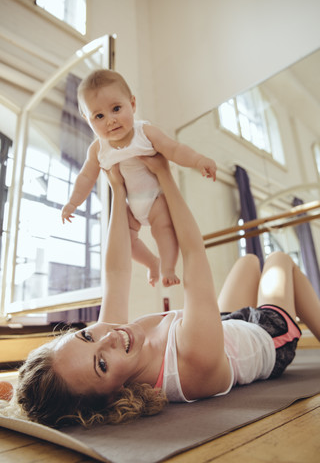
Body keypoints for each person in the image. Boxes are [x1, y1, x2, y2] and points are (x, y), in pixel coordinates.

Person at [15, 155, 320, 429]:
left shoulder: (112, 340)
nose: (108, 338)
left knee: (249, 260)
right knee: (280, 262)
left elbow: (116, 273)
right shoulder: (191, 360)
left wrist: (118, 189)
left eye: (86, 336)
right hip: (268, 337)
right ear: (114, 396)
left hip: (227, 326)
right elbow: (193, 254)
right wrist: (164, 175)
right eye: (101, 364)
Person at [61, 69, 217, 287]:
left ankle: (167, 267)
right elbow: (86, 177)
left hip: (155, 199)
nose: (110, 120)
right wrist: (73, 202)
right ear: (88, 120)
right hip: (130, 205)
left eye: (116, 109)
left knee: (163, 229)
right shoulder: (98, 149)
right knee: (124, 240)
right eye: (99, 116)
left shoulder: (145, 132)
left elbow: (174, 149)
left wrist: (198, 160)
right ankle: (151, 263)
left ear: (132, 104)